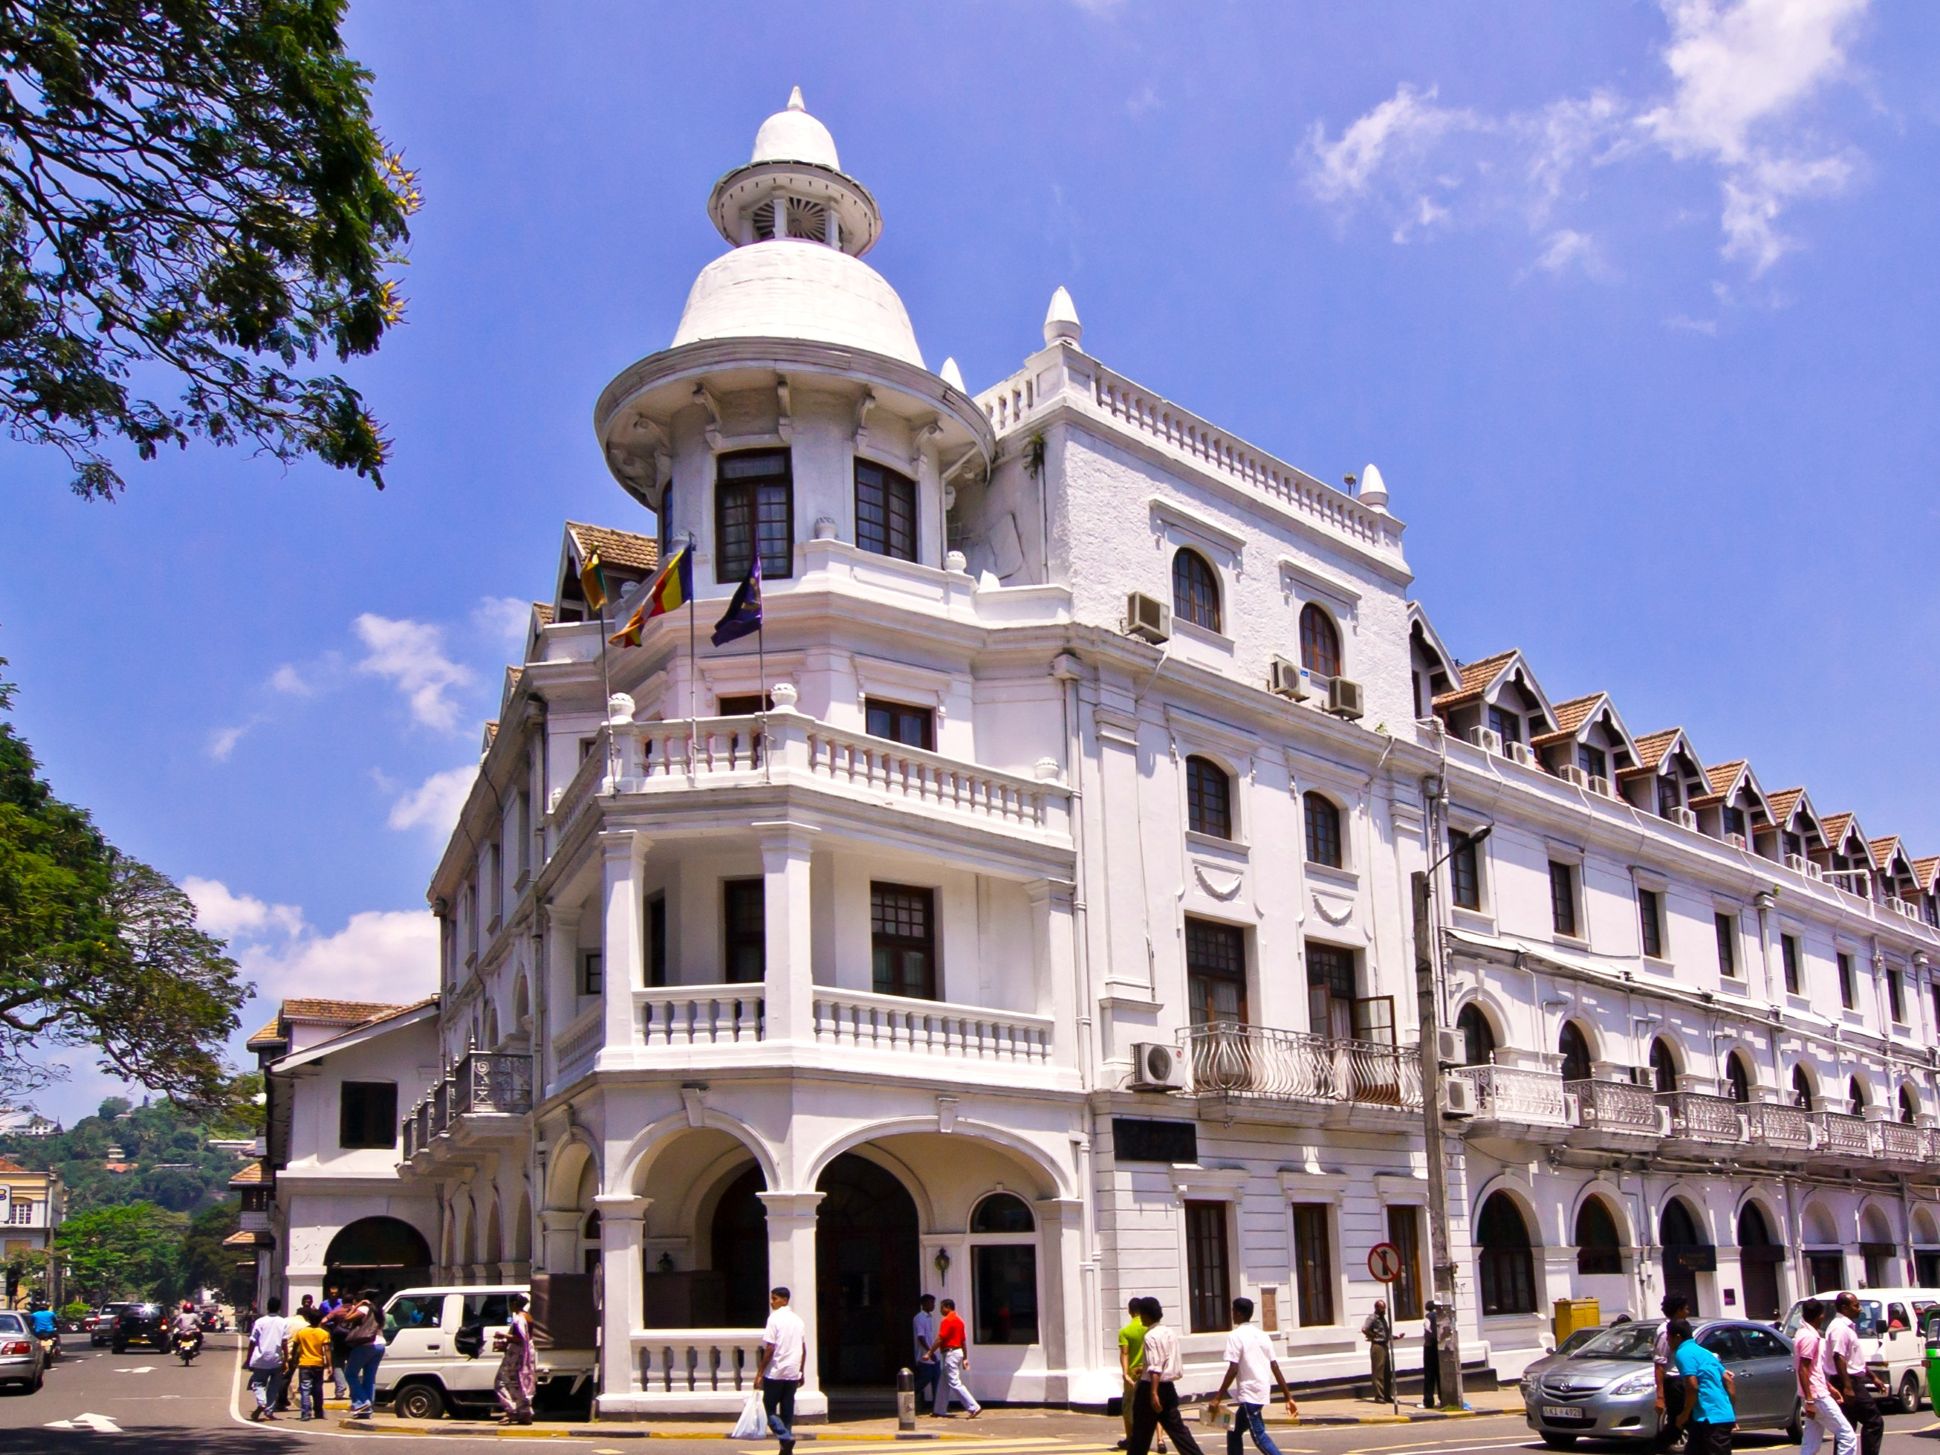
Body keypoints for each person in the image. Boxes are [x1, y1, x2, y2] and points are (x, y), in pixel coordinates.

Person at [1210, 1296, 1298, 1455]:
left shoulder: (1235, 1336)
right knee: (1234, 1430)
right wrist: (1288, 1396)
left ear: (1238, 1313)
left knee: (1259, 1436)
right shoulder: (1263, 1335)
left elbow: (1233, 1369)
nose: (1232, 1314)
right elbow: (1275, 1366)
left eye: (1233, 1311)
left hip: (1249, 1393)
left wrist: (1217, 1397)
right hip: (1262, 1389)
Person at [1125, 1298, 1203, 1455]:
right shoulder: (1169, 1332)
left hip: (1151, 1387)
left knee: (1141, 1433)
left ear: (1146, 1315)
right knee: (1178, 1430)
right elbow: (1164, 1360)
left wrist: (1153, 1392)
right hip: (1168, 1387)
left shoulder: (1150, 1336)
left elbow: (1156, 1366)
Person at [1796, 1298, 1858, 1455]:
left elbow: (1813, 1369)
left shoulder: (1804, 1333)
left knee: (1811, 1442)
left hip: (1816, 1392)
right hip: (1817, 1396)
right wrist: (1810, 1400)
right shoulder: (1809, 1337)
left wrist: (1829, 1387)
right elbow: (1803, 1369)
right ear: (1820, 1316)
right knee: (1847, 1436)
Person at [1827, 1292, 1885, 1455]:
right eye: (1856, 1306)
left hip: (1851, 1380)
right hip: (1847, 1381)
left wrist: (1873, 1377)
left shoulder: (1847, 1327)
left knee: (1847, 1426)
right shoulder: (1839, 1328)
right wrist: (1848, 1387)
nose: (1859, 1309)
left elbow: (1853, 1359)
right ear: (1844, 1308)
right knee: (1874, 1421)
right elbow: (1838, 1357)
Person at [1668, 1318, 1736, 1455]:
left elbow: (1692, 1387)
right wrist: (1730, 1410)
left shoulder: (1683, 1353)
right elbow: (1728, 1380)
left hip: (1710, 1419)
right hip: (1707, 1418)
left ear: (1677, 1337)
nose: (1667, 1341)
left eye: (1668, 1337)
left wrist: (1684, 1414)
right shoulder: (1704, 1352)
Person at [755, 1286, 806, 1455]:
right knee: (787, 1410)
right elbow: (803, 1348)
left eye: (775, 1298)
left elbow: (770, 1348)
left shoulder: (774, 1319)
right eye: (772, 1298)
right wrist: (801, 1371)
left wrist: (760, 1372)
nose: (772, 1302)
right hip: (792, 1371)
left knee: (768, 1408)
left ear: (784, 1300)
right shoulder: (798, 1320)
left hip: (776, 1371)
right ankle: (786, 1447)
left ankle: (784, 1436)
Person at [337, 1287, 387, 1419]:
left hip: (366, 1345)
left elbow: (346, 1318)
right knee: (370, 1377)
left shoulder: (364, 1308)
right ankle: (367, 1410)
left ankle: (363, 1402)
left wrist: (357, 1305)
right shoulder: (380, 1311)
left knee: (350, 1374)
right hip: (380, 1344)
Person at [928, 1296, 980, 1418]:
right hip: (957, 1352)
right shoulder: (959, 1321)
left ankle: (973, 1407)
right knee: (943, 1382)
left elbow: (940, 1338)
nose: (940, 1310)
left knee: (954, 1382)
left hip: (950, 1352)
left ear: (947, 1307)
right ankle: (939, 1409)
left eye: (942, 1307)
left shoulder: (947, 1320)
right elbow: (963, 1341)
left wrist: (930, 1352)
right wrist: (965, 1358)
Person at [1653, 1292, 1692, 1442]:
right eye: (1686, 1309)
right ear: (1678, 1310)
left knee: (1681, 1426)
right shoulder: (1665, 1331)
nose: (1688, 1312)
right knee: (1679, 1425)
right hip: (1675, 1384)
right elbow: (1659, 1364)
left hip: (1684, 1380)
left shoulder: (1682, 1328)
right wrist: (1660, 1397)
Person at [494, 1291, 538, 1425]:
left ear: (514, 1304)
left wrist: (502, 1335)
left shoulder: (519, 1318)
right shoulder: (528, 1317)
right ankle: (524, 1412)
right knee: (520, 1384)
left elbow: (519, 1338)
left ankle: (512, 1410)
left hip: (517, 1355)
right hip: (526, 1354)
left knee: (501, 1382)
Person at [246, 1297, 291, 1422]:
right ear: (279, 1308)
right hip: (276, 1359)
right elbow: (284, 1343)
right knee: (274, 1386)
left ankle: (262, 1402)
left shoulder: (260, 1322)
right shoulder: (283, 1322)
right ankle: (269, 1410)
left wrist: (248, 1359)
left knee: (258, 1383)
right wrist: (286, 1359)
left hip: (260, 1359)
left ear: (267, 1307)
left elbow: (252, 1342)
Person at [287, 1306, 334, 1421]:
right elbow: (327, 1350)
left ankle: (305, 1413)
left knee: (305, 1389)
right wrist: (329, 1365)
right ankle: (318, 1412)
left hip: (304, 1364)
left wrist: (293, 1360)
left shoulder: (302, 1332)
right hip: (318, 1364)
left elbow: (295, 1348)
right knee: (318, 1389)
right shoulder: (324, 1333)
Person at [1117, 1297, 1147, 1449]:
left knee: (1128, 1405)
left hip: (1133, 1373)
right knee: (1153, 1405)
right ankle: (1160, 1440)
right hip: (1149, 1372)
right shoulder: (1149, 1329)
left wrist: (1125, 1373)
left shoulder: (1125, 1331)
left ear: (1130, 1311)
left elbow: (1125, 1353)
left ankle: (1130, 1438)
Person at [1361, 1298, 1397, 1403]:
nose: (1384, 1310)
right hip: (1377, 1346)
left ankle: (1387, 1395)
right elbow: (1364, 1329)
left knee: (1387, 1372)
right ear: (1377, 1308)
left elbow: (1384, 1333)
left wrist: (1395, 1337)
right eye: (1382, 1308)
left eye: (1384, 1307)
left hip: (1385, 1345)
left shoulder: (1383, 1319)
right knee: (1378, 1372)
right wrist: (1373, 1336)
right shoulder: (1372, 1318)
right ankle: (1379, 1396)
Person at [320, 1286, 348, 1401]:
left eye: (335, 1293)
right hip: (334, 1334)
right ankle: (341, 1390)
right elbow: (322, 1318)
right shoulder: (324, 1304)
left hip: (344, 1337)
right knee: (339, 1363)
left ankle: (341, 1389)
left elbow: (323, 1320)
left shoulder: (340, 1306)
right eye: (332, 1293)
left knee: (339, 1364)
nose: (333, 1295)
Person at [912, 1294, 939, 1414]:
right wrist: (930, 1352)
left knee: (936, 1381)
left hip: (933, 1356)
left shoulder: (930, 1317)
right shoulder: (919, 1318)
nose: (933, 1305)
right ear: (923, 1304)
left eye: (933, 1303)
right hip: (925, 1356)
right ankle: (909, 1396)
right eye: (930, 1303)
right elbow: (921, 1337)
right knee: (925, 1378)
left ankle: (937, 1406)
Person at [1420, 1302, 1442, 1409]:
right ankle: (1443, 1398)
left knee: (1429, 1375)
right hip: (1439, 1348)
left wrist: (1428, 1342)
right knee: (1439, 1374)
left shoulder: (1428, 1317)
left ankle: (1428, 1401)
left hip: (1430, 1347)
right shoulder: (1440, 1316)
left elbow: (1428, 1330)